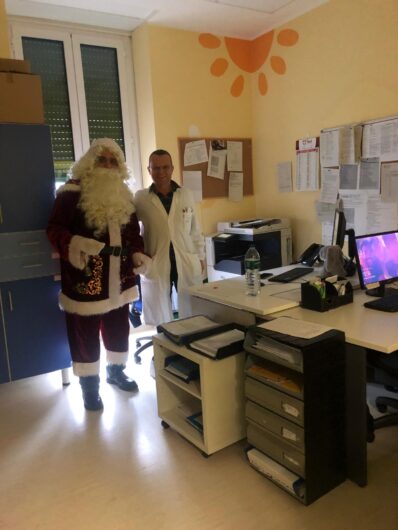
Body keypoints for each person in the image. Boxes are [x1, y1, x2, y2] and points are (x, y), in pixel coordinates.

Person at [47, 138, 151, 411]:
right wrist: (77, 245)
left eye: (112, 160)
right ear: (90, 163)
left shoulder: (124, 195)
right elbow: (55, 230)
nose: (107, 165)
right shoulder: (70, 193)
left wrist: (138, 252)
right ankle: (89, 387)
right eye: (101, 160)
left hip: (120, 278)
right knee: (85, 333)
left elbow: (132, 234)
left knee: (118, 326)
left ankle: (116, 372)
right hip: (85, 277)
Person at [134, 149, 205, 326]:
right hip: (156, 263)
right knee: (161, 318)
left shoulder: (186, 194)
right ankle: (164, 349)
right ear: (149, 170)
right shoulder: (141, 198)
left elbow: (195, 230)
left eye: (165, 167)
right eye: (156, 168)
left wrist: (201, 257)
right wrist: (138, 257)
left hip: (186, 260)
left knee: (192, 314)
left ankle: (189, 350)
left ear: (172, 168)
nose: (161, 172)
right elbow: (130, 232)